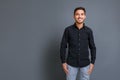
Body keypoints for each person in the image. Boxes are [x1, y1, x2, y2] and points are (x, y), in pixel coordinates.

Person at [60, 7, 96, 80]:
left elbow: (92, 47)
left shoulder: (89, 31)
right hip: (71, 64)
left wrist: (92, 62)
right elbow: (63, 46)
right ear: (74, 16)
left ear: (85, 16)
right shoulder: (68, 30)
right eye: (77, 14)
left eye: (82, 14)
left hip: (85, 64)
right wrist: (63, 62)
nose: (79, 16)